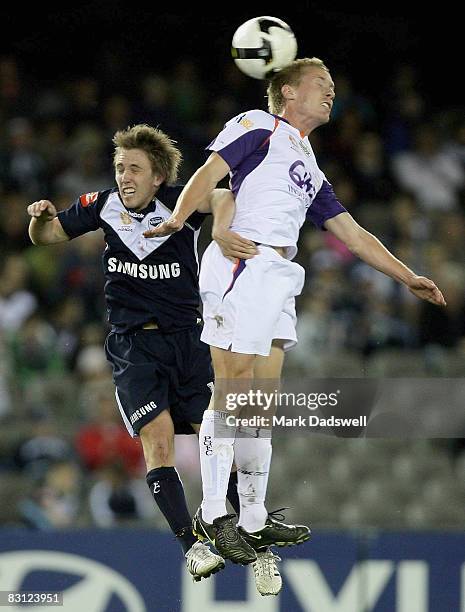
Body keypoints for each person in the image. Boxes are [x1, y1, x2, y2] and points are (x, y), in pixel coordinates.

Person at [145, 58, 446, 596]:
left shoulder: (307, 158)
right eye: (321, 86)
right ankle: (216, 514)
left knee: (261, 402)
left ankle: (255, 518)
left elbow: (349, 231)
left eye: (333, 88)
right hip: (243, 262)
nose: (332, 94)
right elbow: (212, 173)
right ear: (287, 92)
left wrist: (406, 276)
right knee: (233, 390)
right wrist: (178, 219)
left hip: (281, 273)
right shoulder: (258, 126)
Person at [26, 123, 257, 582]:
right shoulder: (103, 206)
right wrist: (39, 217)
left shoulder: (181, 203)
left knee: (220, 442)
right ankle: (191, 546)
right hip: (133, 345)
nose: (124, 177)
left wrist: (223, 226)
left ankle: (255, 527)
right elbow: (47, 236)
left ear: (158, 178)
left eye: (134, 168)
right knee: (158, 440)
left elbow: (222, 195)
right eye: (119, 168)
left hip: (188, 342)